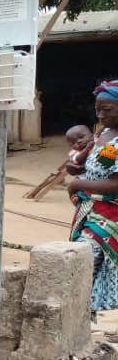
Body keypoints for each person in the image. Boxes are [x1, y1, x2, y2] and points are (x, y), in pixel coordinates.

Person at [70, 80, 118, 314]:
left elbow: (115, 183)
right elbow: (96, 167)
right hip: (90, 210)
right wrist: (78, 171)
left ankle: (85, 313)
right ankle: (84, 317)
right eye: (98, 109)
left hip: (110, 216)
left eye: (106, 110)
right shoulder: (105, 134)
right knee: (87, 266)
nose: (100, 115)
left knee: (85, 257)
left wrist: (79, 184)